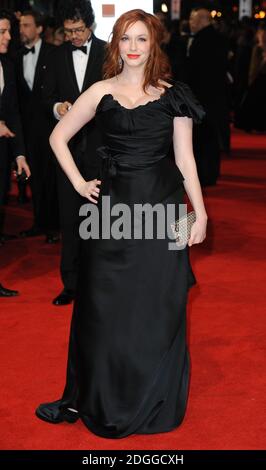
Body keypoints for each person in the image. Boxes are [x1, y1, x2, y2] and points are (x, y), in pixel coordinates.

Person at [36, 9, 208, 439]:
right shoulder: (99, 91)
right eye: (125, 39)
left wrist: (199, 212)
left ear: (154, 45)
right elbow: (58, 137)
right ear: (116, 44)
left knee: (158, 307)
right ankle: (102, 394)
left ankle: (153, 395)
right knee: (105, 309)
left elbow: (185, 160)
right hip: (111, 216)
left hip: (162, 214)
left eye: (141, 40)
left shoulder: (174, 96)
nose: (132, 48)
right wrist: (78, 183)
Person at [42, 0, 106, 306]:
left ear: (90, 24)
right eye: (68, 31)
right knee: (69, 221)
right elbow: (47, 97)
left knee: (101, 221)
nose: (73, 36)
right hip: (67, 152)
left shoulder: (109, 53)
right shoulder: (55, 56)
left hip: (100, 151)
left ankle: (100, 283)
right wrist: (58, 108)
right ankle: (70, 284)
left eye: (78, 29)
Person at [15, 10, 59, 243]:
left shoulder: (54, 53)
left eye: (27, 25)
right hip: (28, 128)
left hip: (52, 127)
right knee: (36, 177)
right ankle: (39, 223)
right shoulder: (15, 55)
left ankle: (55, 225)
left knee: (52, 175)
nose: (22, 30)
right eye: (20, 25)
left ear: (39, 28)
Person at [0, 8, 31, 297]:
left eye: (8, 31)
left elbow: (13, 114)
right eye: (2, 32)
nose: (9, 37)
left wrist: (20, 154)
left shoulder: (8, 65)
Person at [186, 8, 230, 185]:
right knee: (211, 138)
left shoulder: (200, 41)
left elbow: (196, 73)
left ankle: (205, 175)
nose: (191, 23)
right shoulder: (220, 39)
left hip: (202, 98)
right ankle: (211, 173)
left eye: (194, 21)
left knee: (203, 138)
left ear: (203, 21)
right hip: (217, 97)